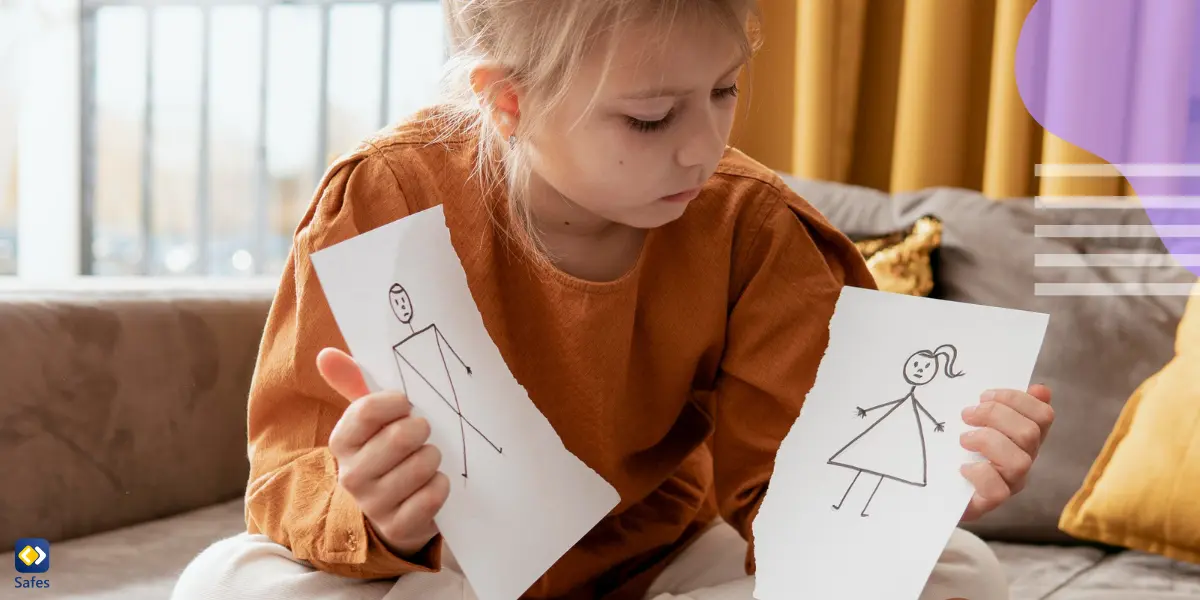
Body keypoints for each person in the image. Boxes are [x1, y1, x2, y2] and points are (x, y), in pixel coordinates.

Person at [171, 1, 1055, 599]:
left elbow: (797, 496)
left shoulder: (752, 225)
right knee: (226, 581)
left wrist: (915, 495)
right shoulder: (382, 198)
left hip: (661, 563)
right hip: (447, 575)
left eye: (724, 92)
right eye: (649, 118)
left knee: (958, 573)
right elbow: (285, 484)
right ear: (508, 103)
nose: (701, 150)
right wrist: (370, 507)